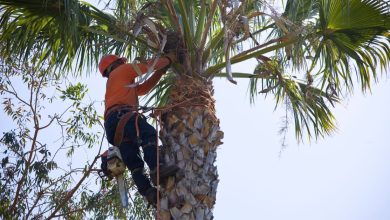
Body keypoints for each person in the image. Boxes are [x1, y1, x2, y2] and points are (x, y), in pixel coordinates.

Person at [99, 53, 178, 206]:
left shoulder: (115, 82)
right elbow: (146, 66)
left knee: (134, 162)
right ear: (116, 64)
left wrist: (161, 71)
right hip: (122, 115)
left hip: (112, 126)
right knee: (148, 134)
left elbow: (143, 89)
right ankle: (157, 168)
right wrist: (169, 59)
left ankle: (148, 192)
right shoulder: (122, 71)